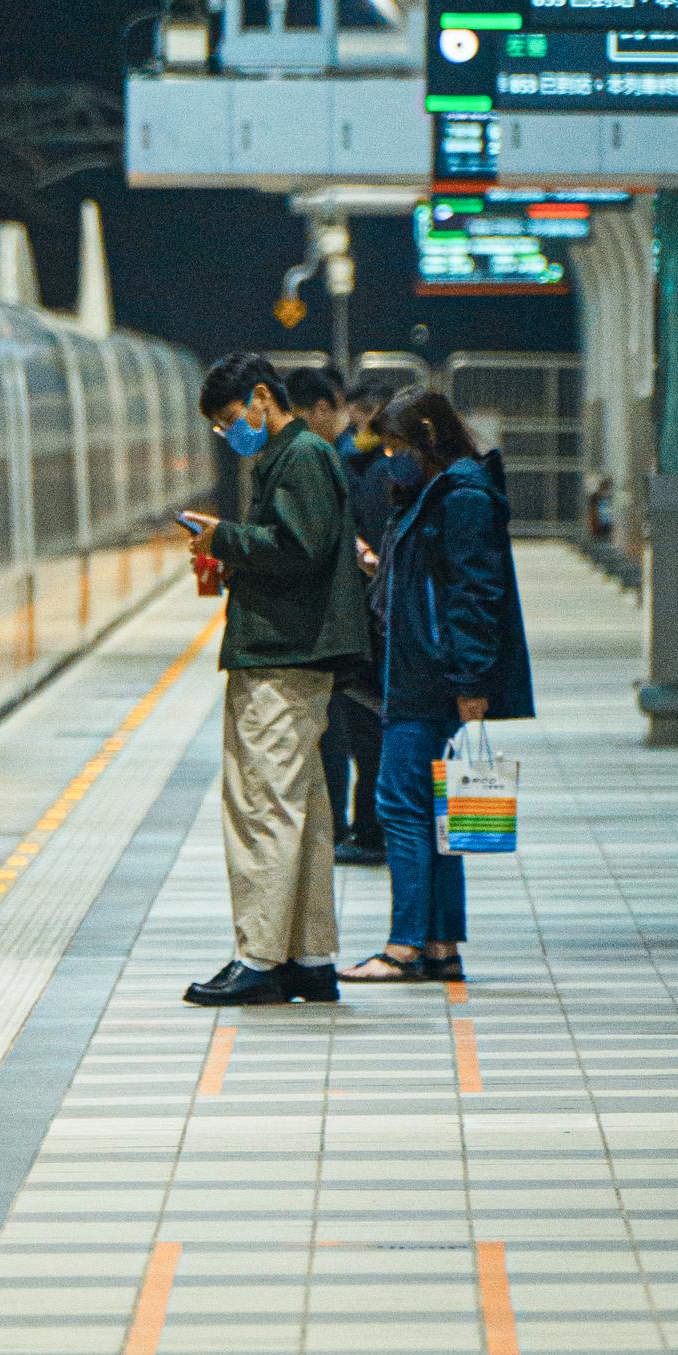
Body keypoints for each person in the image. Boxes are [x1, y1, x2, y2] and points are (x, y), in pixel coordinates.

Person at [176, 348, 367, 1008]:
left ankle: (259, 958)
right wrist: (231, 552)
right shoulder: (291, 458)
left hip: (282, 659)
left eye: (233, 418)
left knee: (264, 805)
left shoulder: (301, 456)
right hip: (290, 652)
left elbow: (299, 547)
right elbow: (297, 548)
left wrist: (224, 538)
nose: (231, 434)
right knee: (305, 810)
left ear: (262, 397)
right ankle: (309, 958)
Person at [351, 384, 532, 987]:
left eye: (395, 445)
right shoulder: (435, 491)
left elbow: (475, 594)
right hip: (420, 673)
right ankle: (439, 945)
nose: (386, 458)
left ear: (424, 440)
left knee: (399, 805)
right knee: (435, 814)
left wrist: (471, 678)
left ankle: (404, 945)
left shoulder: (463, 496)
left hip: (432, 679)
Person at [292, 366, 387, 859]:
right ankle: (358, 825)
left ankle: (363, 827)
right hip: (358, 620)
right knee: (353, 728)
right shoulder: (346, 462)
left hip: (358, 621)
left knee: (356, 728)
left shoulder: (351, 466)